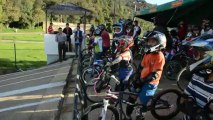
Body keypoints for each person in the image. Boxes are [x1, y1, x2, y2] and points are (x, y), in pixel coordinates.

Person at [125, 31, 166, 120]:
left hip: (150, 83)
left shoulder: (159, 56)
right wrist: (136, 77)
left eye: (153, 41)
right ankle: (127, 115)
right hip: (142, 78)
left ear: (160, 43)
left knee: (141, 105)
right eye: (149, 41)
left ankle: (140, 115)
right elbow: (141, 66)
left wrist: (141, 81)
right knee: (131, 97)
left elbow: (154, 74)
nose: (149, 43)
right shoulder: (147, 54)